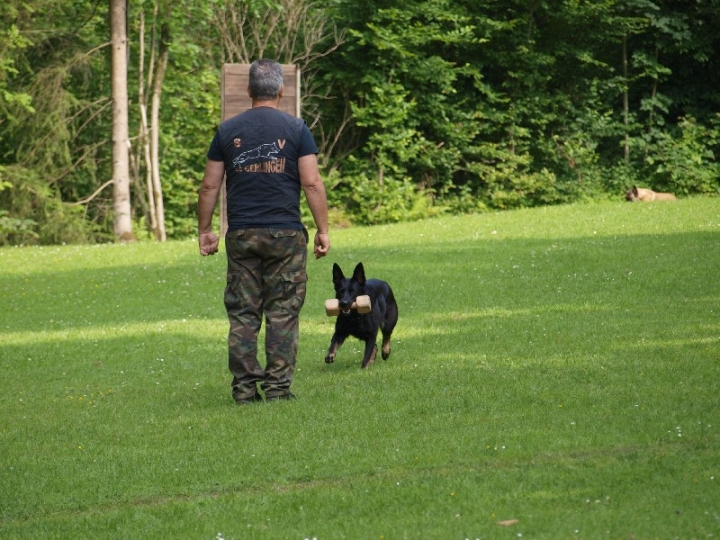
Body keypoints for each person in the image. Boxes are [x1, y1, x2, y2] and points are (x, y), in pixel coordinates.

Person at [197, 59, 330, 405]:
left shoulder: (227, 131)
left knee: (243, 315)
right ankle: (278, 389)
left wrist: (205, 231)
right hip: (286, 235)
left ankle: (244, 391)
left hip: (241, 235)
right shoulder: (296, 129)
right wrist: (323, 230)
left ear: (249, 90)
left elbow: (209, 186)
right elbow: (312, 183)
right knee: (283, 312)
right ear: (281, 90)